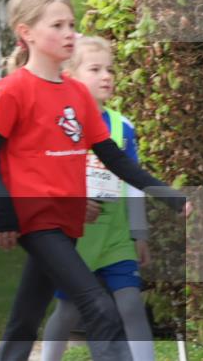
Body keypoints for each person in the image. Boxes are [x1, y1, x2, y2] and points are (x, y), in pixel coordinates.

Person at [0, 0, 188, 361]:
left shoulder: (76, 94)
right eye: (58, 25)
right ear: (27, 33)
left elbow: (115, 158)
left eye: (72, 24)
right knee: (99, 307)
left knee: (25, 321)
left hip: (69, 221)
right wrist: (4, 210)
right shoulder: (12, 90)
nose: (70, 32)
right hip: (35, 217)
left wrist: (167, 195)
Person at [41, 36, 154, 361]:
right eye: (95, 69)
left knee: (132, 305)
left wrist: (139, 233)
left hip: (116, 239)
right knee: (68, 311)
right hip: (76, 241)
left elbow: (134, 183)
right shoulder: (62, 125)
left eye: (110, 69)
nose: (106, 76)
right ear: (71, 76)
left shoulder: (123, 127)